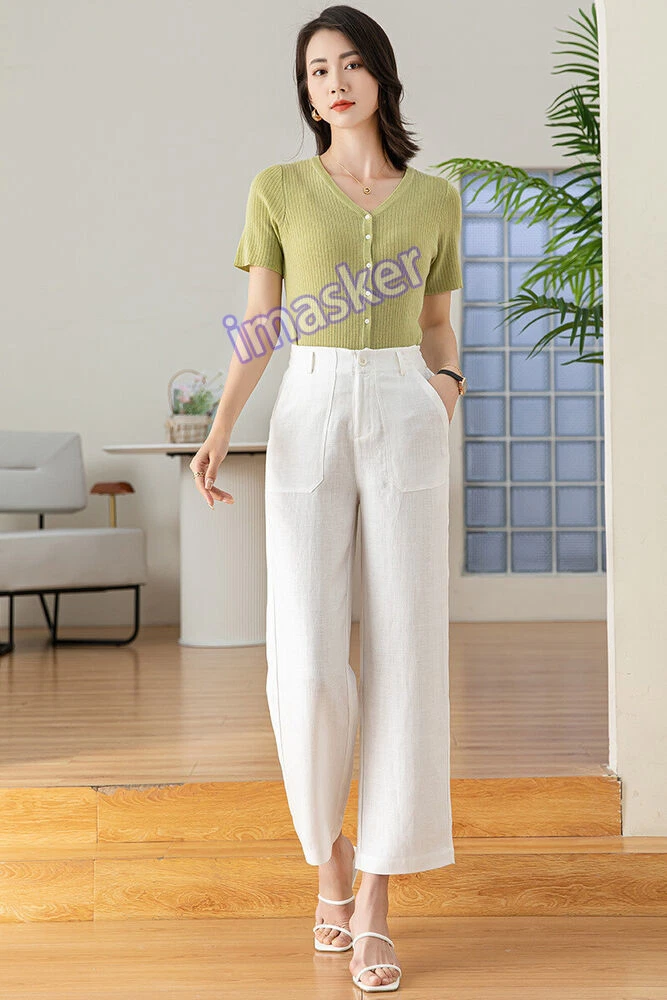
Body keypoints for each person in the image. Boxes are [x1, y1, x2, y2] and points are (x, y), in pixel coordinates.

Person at [190, 4, 466, 992]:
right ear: (305, 92)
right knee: (304, 658)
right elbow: (261, 324)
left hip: (404, 409)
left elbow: (436, 324)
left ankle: (377, 904)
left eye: (350, 65)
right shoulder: (278, 188)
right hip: (307, 406)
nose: (334, 83)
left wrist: (443, 390)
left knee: (406, 651)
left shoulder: (434, 198)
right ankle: (331, 860)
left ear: (381, 76)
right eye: (317, 71)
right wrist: (222, 425)